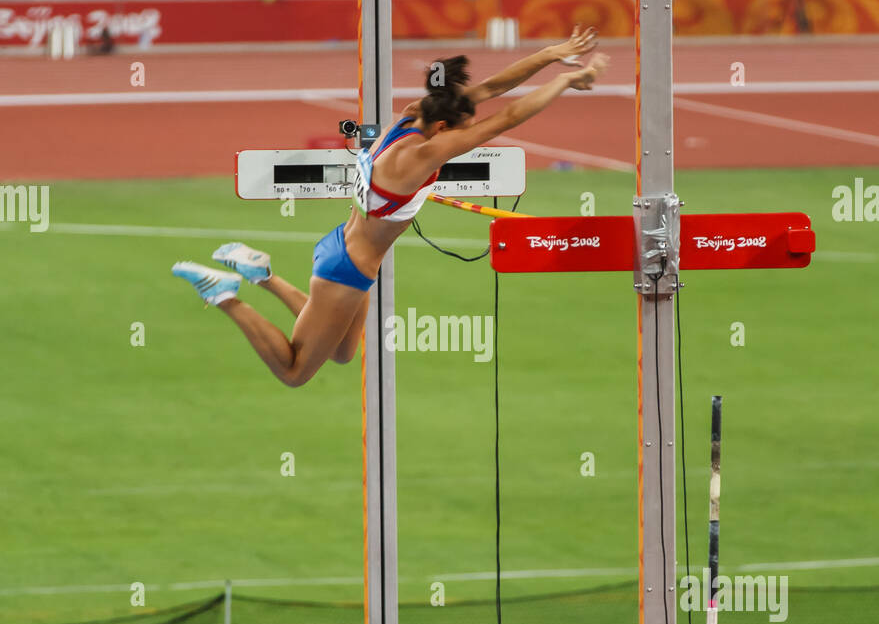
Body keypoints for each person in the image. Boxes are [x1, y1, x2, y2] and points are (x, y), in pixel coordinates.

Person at [173, 30, 609, 388]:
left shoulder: (412, 115)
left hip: (344, 248)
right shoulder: (420, 156)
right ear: (442, 129)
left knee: (344, 353)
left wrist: (552, 55)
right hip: (346, 270)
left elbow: (494, 89)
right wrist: (566, 81)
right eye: (463, 129)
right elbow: (508, 117)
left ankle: (262, 274)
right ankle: (223, 293)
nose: (470, 129)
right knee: (293, 371)